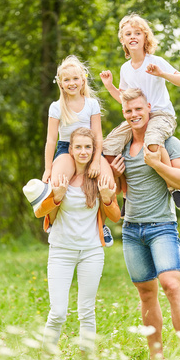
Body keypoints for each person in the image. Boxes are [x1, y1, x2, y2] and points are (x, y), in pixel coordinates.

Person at [110, 89, 180, 360]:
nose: (134, 115)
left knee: (171, 284)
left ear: (148, 108)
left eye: (138, 109)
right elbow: (118, 189)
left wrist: (158, 165)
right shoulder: (121, 147)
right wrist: (115, 173)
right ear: (124, 114)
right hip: (133, 230)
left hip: (162, 226)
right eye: (128, 111)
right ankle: (156, 357)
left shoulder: (169, 143)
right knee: (146, 293)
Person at [23, 127, 121, 353]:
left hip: (91, 252)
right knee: (57, 312)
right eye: (79, 147)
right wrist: (57, 196)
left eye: (88, 147)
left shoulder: (99, 179)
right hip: (61, 251)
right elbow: (40, 212)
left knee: (87, 311)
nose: (83, 151)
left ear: (93, 150)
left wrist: (107, 200)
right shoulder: (61, 177)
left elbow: (115, 217)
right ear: (71, 149)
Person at [100, 13, 180, 214]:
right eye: (128, 33)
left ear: (145, 37)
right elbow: (126, 102)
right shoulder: (125, 69)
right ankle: (125, 195)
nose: (133, 36)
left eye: (137, 33)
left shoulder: (155, 61)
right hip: (138, 117)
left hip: (160, 115)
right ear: (122, 40)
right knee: (109, 146)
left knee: (152, 140)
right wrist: (109, 86)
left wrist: (162, 74)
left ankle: (173, 188)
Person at [42, 54, 113, 246]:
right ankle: (52, 222)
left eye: (75, 79)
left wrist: (97, 160)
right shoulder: (57, 107)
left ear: (83, 80)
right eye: (67, 80)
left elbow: (98, 136)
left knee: (108, 181)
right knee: (57, 181)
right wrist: (48, 168)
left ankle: (102, 224)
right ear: (61, 84)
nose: (72, 83)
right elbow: (51, 140)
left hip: (90, 149)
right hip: (66, 148)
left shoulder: (91, 104)